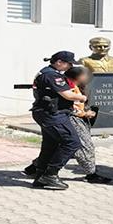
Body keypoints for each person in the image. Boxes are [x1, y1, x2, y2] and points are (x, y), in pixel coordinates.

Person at [23, 51, 88, 190]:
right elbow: (67, 94)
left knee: (50, 145)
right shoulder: (52, 75)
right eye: (69, 63)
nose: (70, 66)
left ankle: (40, 177)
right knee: (72, 142)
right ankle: (51, 174)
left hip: (48, 113)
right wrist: (82, 98)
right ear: (59, 62)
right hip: (53, 114)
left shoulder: (47, 72)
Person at [64, 65, 111, 184]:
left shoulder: (74, 85)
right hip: (73, 119)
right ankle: (91, 174)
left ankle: (34, 168)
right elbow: (71, 107)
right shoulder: (69, 87)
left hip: (73, 118)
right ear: (78, 76)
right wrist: (85, 113)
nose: (87, 77)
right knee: (85, 145)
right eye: (85, 75)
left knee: (58, 146)